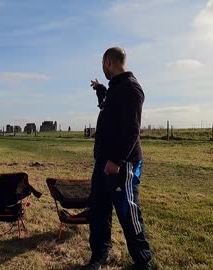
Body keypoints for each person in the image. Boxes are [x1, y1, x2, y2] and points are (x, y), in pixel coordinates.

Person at [85, 47, 152, 270]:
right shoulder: (115, 89)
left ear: (108, 62)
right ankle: (99, 256)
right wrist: (101, 90)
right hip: (103, 165)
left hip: (121, 166)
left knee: (128, 212)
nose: (102, 68)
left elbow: (132, 130)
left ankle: (143, 261)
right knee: (98, 211)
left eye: (103, 64)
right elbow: (109, 107)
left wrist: (117, 161)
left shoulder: (131, 89)